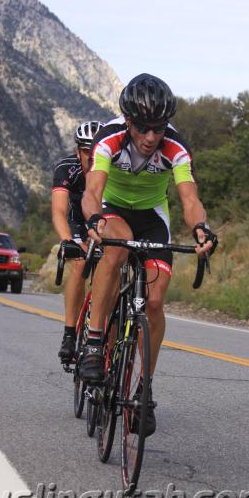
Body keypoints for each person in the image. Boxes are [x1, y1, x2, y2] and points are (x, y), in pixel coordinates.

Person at [80, 73, 217, 436]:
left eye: (158, 127)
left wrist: (200, 227)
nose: (151, 136)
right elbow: (92, 191)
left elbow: (189, 198)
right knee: (117, 249)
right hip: (113, 211)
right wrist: (93, 219)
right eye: (142, 127)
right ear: (128, 121)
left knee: (154, 303)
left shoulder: (175, 147)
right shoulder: (108, 139)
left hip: (153, 218)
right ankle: (94, 342)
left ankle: (144, 389)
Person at [52, 120, 104, 364]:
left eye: (96, 152)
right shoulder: (67, 168)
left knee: (113, 266)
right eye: (86, 152)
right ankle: (70, 333)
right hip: (76, 221)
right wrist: (67, 241)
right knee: (81, 263)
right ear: (77, 151)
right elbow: (59, 211)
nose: (91, 158)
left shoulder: (113, 168)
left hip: (103, 221)